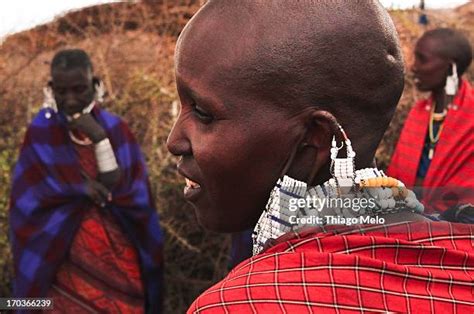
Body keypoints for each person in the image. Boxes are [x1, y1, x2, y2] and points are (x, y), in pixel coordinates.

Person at [167, 1, 474, 312]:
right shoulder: (460, 255)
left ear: (317, 138)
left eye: (203, 113)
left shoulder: (242, 305)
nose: (173, 141)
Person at [9, 49, 163, 313]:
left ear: (95, 84)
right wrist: (79, 188)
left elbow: (126, 191)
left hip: (117, 253)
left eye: (79, 89)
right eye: (61, 90)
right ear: (50, 88)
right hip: (57, 257)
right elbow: (29, 200)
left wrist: (99, 137)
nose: (70, 99)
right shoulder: (41, 132)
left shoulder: (116, 129)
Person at [387, 28, 473, 215]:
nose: (413, 67)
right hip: (408, 214)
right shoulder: (418, 113)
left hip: (458, 224)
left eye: (422, 59)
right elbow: (397, 178)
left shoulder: (471, 115)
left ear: (451, 68)